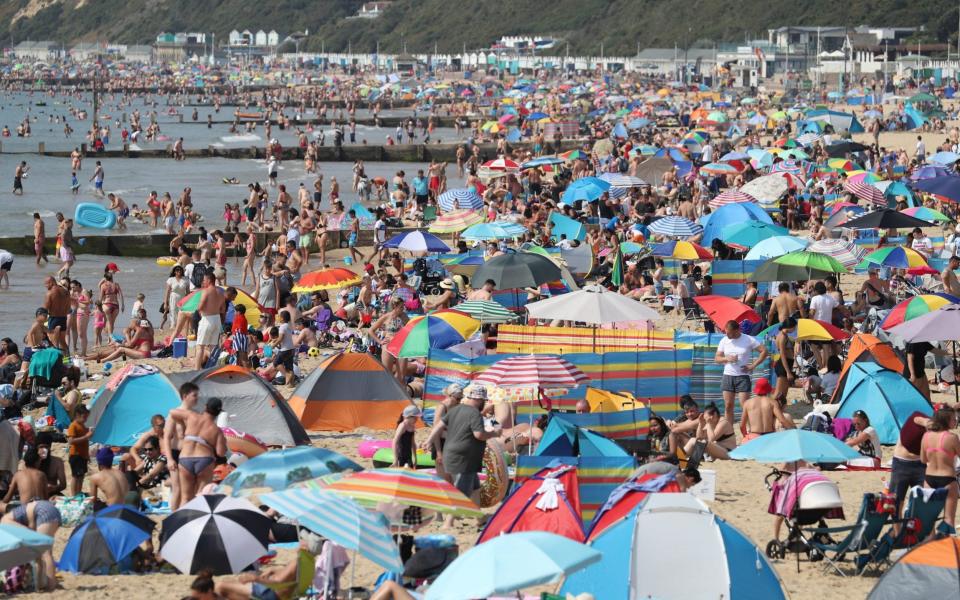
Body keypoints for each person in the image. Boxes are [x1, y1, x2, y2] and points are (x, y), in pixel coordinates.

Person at [421, 386, 501, 525]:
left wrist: (428, 440)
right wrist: (494, 434)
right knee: (461, 491)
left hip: (451, 453)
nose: (484, 403)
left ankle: (479, 518)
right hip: (465, 457)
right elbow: (479, 435)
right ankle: (448, 523)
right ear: (478, 399)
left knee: (475, 488)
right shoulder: (474, 413)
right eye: (483, 401)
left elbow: (438, 426)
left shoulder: (457, 409)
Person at [0, 449, 61, 592]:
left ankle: (48, 585)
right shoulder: (41, 475)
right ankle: (41, 583)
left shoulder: (19, 475)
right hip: (43, 509)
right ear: (37, 461)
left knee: (42, 552)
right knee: (43, 552)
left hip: (29, 511)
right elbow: (45, 497)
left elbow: (8, 497)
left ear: (24, 461)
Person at [167, 398, 227, 505]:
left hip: (185, 458)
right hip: (204, 460)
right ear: (218, 413)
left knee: (185, 497)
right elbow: (220, 453)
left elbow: (172, 412)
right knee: (201, 496)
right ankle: (197, 521)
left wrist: (182, 421)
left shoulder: (192, 416)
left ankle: (183, 521)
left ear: (205, 407)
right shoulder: (216, 430)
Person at [715, 320, 768, 424]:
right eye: (726, 332)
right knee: (728, 405)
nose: (727, 334)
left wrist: (753, 365)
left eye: (729, 332)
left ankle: (750, 429)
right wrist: (727, 358)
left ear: (737, 330)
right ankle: (728, 430)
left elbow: (764, 351)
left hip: (743, 376)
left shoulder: (748, 339)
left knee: (745, 405)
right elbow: (717, 358)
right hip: (728, 375)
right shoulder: (724, 340)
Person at [920, 407, 960, 528]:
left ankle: (930, 543)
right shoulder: (952, 438)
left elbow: (923, 459)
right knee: (948, 518)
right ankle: (946, 545)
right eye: (954, 419)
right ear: (946, 421)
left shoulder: (926, 436)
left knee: (929, 518)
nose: (956, 421)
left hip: (929, 478)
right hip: (947, 478)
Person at [889, 411, 933, 516]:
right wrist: (933, 425)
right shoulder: (917, 417)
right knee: (896, 503)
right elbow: (920, 420)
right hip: (901, 463)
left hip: (919, 465)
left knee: (923, 502)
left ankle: (923, 531)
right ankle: (897, 532)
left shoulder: (931, 435)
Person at [163, 382, 198, 511]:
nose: (196, 398)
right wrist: (169, 459)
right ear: (185, 396)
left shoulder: (195, 415)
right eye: (194, 395)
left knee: (190, 488)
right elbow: (167, 437)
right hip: (176, 453)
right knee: (177, 488)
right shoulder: (174, 414)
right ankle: (173, 518)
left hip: (190, 455)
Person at [195, 272, 226, 369]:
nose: (203, 282)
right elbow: (223, 309)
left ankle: (196, 370)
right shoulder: (220, 293)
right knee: (213, 347)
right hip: (217, 319)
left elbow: (200, 306)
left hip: (207, 319)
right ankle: (211, 368)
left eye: (204, 280)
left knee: (200, 346)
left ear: (209, 280)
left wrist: (200, 309)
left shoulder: (206, 291)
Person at [66, 404, 93, 496]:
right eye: (84, 417)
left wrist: (87, 455)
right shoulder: (73, 426)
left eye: (86, 417)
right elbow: (71, 441)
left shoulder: (83, 426)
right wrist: (86, 436)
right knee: (76, 476)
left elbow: (85, 443)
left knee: (81, 476)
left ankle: (78, 492)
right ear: (77, 415)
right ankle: (74, 494)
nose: (86, 419)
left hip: (82, 455)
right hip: (76, 455)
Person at [772, 317, 797, 405]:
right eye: (794, 327)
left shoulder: (782, 335)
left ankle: (780, 409)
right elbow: (782, 354)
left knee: (784, 392)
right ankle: (770, 410)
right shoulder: (782, 336)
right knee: (778, 392)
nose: (794, 329)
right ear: (790, 326)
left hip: (786, 363)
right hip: (783, 365)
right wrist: (788, 372)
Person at [44, 276, 71, 353]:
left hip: (54, 319)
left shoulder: (49, 293)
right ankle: (66, 361)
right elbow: (69, 308)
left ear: (51, 282)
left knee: (54, 343)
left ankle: (57, 362)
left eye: (46, 284)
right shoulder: (66, 292)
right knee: (63, 342)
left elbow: (45, 309)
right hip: (63, 318)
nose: (46, 286)